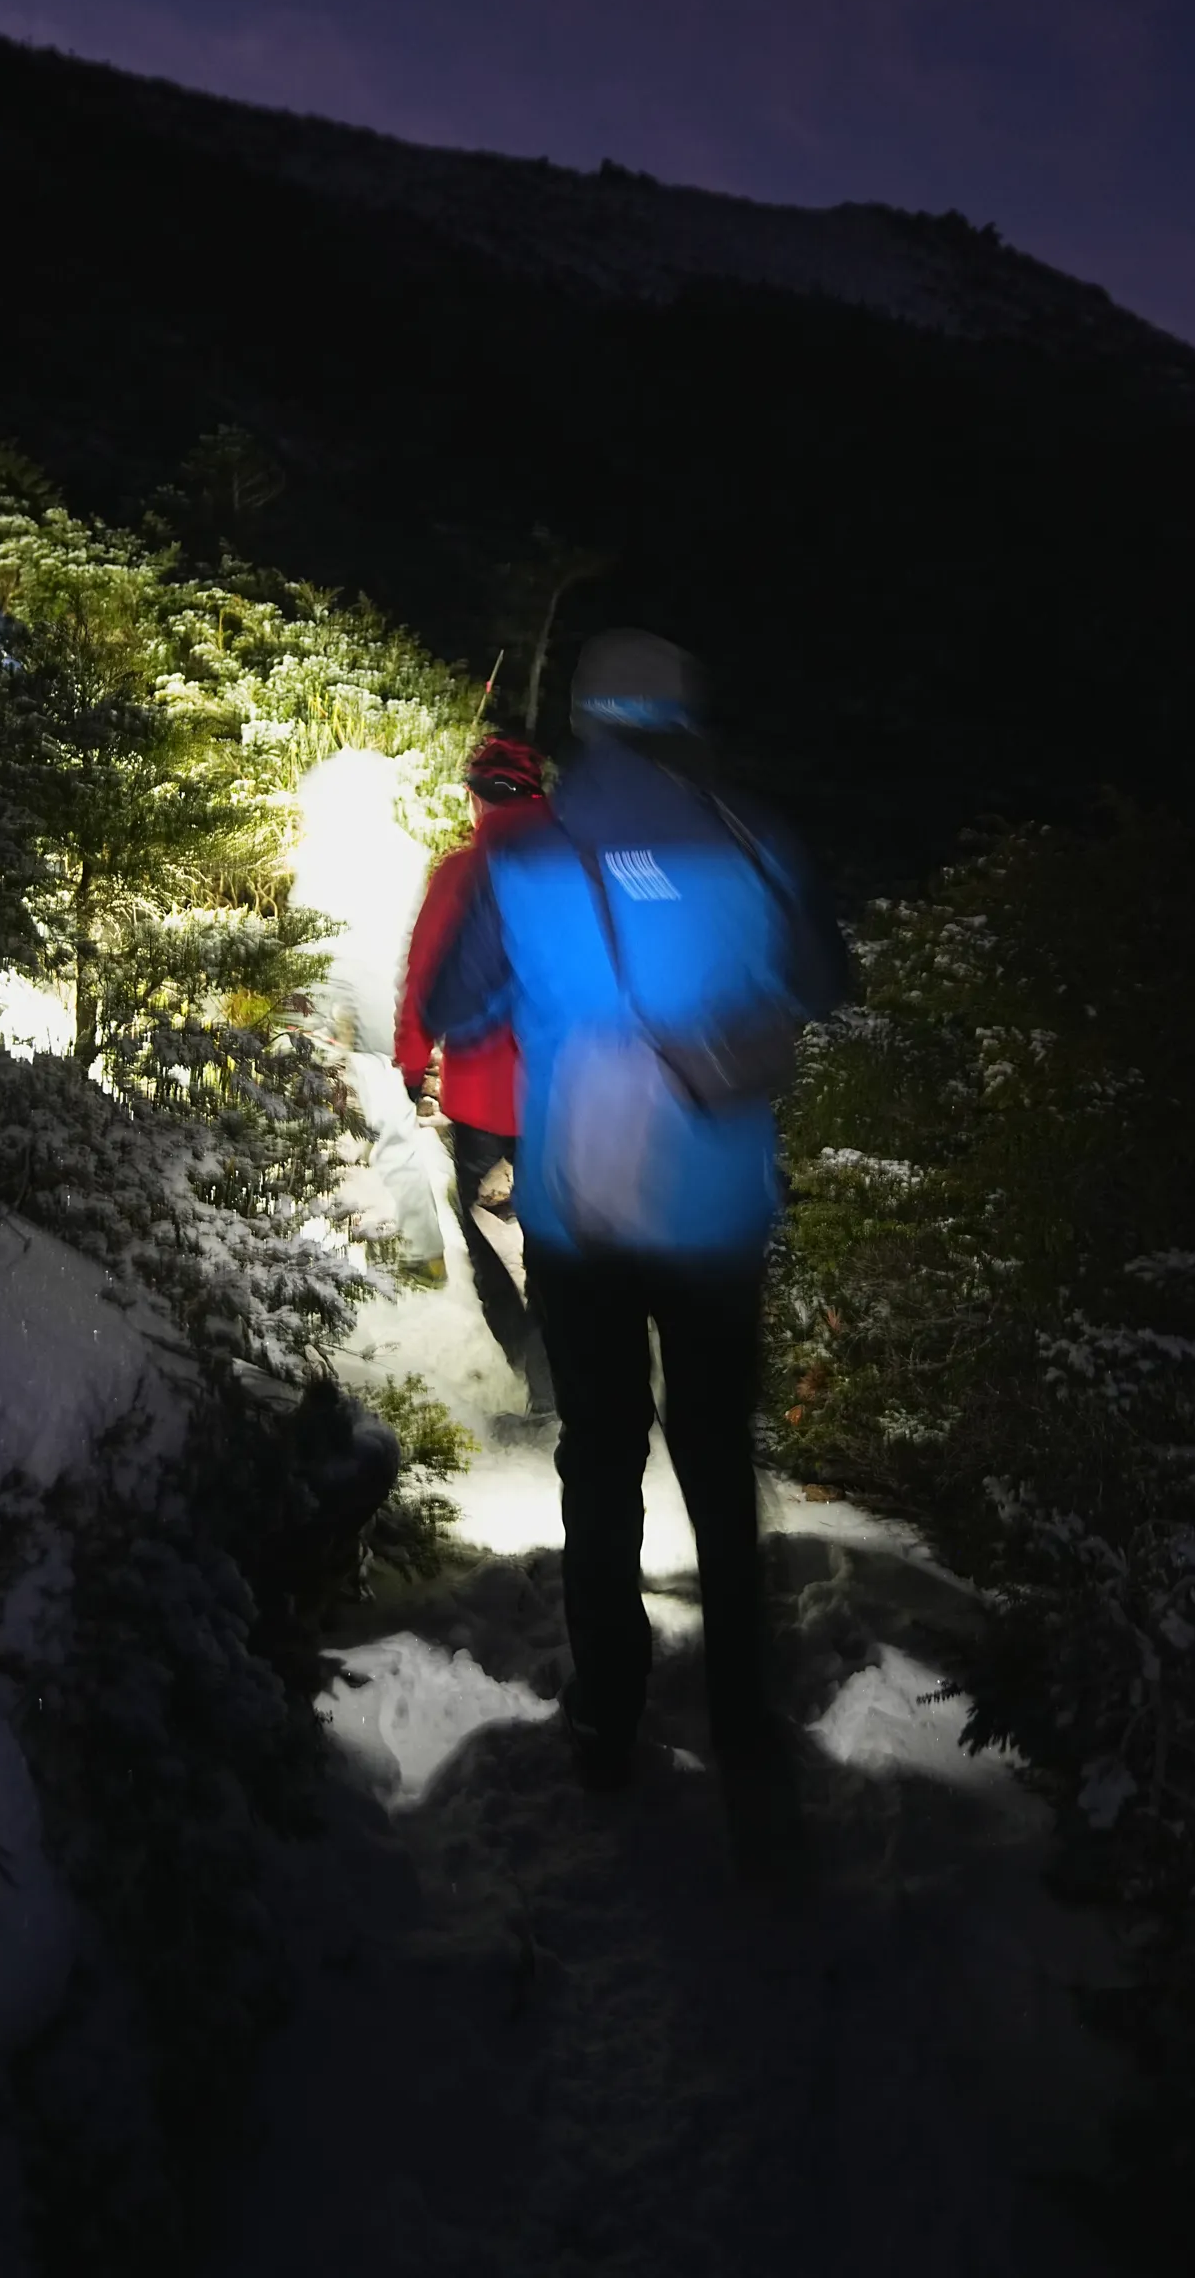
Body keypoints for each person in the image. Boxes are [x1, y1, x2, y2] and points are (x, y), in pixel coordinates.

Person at [423, 629, 849, 1866]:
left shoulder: (527, 854)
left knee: (600, 1457)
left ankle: (608, 1714)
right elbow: (825, 980)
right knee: (719, 1464)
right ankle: (742, 1724)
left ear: (584, 725)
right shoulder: (759, 838)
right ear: (685, 717)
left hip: (576, 1212)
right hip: (713, 1216)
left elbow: (456, 1006)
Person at [395, 732, 557, 1409]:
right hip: (566, 1100)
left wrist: (410, 1063)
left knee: (486, 1242)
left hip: (485, 1102)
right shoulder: (576, 871)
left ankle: (538, 1381)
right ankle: (576, 1378)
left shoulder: (461, 874)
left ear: (476, 797)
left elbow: (425, 976)